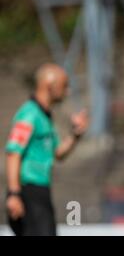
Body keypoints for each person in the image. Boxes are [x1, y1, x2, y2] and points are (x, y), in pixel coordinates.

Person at [5, 63, 89, 236]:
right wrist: (14, 194)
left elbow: (58, 153)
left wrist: (75, 135)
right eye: (64, 85)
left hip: (41, 191)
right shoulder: (29, 114)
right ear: (49, 85)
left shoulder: (45, 117)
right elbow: (13, 153)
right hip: (28, 191)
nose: (68, 91)